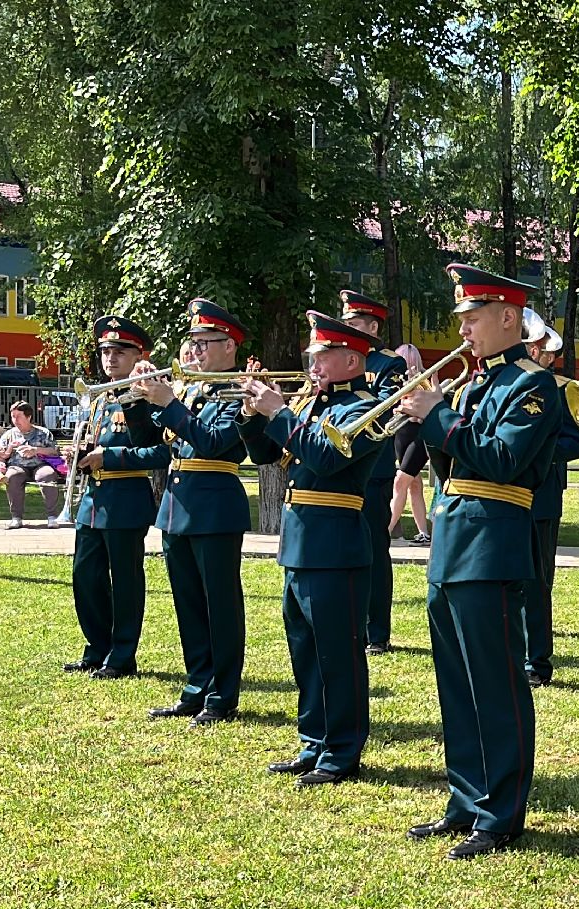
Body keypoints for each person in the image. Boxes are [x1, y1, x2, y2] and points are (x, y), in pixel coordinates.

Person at [394, 264, 565, 860]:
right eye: (461, 317)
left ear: (508, 318)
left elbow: (501, 460)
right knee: (456, 683)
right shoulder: (471, 385)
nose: (463, 328)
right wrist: (423, 422)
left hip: (493, 542)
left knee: (495, 682)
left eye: (472, 317)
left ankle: (502, 812)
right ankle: (466, 800)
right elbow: (448, 466)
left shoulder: (533, 385)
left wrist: (439, 417)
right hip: (454, 537)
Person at [242, 311, 390, 785]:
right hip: (300, 538)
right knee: (304, 649)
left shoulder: (366, 409)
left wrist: (281, 412)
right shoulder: (315, 405)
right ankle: (314, 741)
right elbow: (267, 456)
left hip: (336, 540)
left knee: (337, 653)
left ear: (351, 358)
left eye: (322, 356)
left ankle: (342, 749)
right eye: (313, 357)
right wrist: (253, 415)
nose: (314, 364)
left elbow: (326, 459)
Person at [134, 299, 254, 728]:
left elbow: (213, 443)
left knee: (219, 605)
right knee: (187, 604)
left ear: (230, 346)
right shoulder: (192, 389)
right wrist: (138, 397)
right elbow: (152, 439)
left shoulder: (238, 390)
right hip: (177, 506)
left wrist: (170, 403)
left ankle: (222, 694)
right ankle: (196, 686)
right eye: (194, 342)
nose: (197, 350)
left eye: (207, 343)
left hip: (215, 507)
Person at [64, 315, 168, 680]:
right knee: (85, 577)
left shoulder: (149, 394)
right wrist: (77, 455)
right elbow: (94, 442)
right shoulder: (98, 397)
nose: (110, 357)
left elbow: (160, 452)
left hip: (126, 498)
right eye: (105, 350)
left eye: (120, 351)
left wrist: (108, 457)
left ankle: (122, 656)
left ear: (140, 354)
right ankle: (97, 648)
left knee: (125, 582)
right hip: (93, 501)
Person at [337, 290, 409, 655]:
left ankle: (377, 632)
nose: (345, 328)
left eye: (352, 324)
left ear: (373, 326)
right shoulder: (337, 359)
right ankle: (350, 624)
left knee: (375, 552)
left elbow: (386, 412)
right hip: (336, 470)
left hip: (373, 470)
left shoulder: (388, 364)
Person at [524, 316, 579, 688]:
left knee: (536, 583)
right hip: (503, 499)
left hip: (541, 499)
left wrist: (535, 451)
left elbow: (577, 442)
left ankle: (536, 661)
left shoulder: (561, 388)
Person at [389, 344, 434, 545]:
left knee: (400, 481)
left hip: (419, 436)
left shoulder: (424, 381)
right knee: (414, 483)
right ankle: (423, 532)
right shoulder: (394, 382)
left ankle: (386, 529)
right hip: (401, 434)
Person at [0, 400, 63, 528]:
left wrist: (36, 450)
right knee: (12, 476)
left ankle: (52, 517)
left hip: (40, 464)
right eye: (13, 416)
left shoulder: (43, 433)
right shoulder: (8, 435)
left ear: (28, 417)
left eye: (19, 416)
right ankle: (16, 517)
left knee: (47, 474)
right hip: (17, 466)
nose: (15, 420)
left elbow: (55, 452)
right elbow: (1, 455)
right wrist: (2, 462)